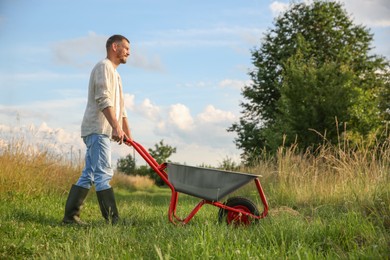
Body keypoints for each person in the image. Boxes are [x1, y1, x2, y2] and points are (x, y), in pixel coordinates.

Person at [63, 34, 132, 225]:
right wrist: (116, 127)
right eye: (126, 48)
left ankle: (70, 216)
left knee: (90, 174)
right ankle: (113, 220)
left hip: (102, 130)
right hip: (97, 129)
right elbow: (103, 99)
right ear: (115, 47)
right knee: (103, 173)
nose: (129, 52)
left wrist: (128, 133)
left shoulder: (115, 74)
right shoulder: (104, 67)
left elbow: (121, 108)